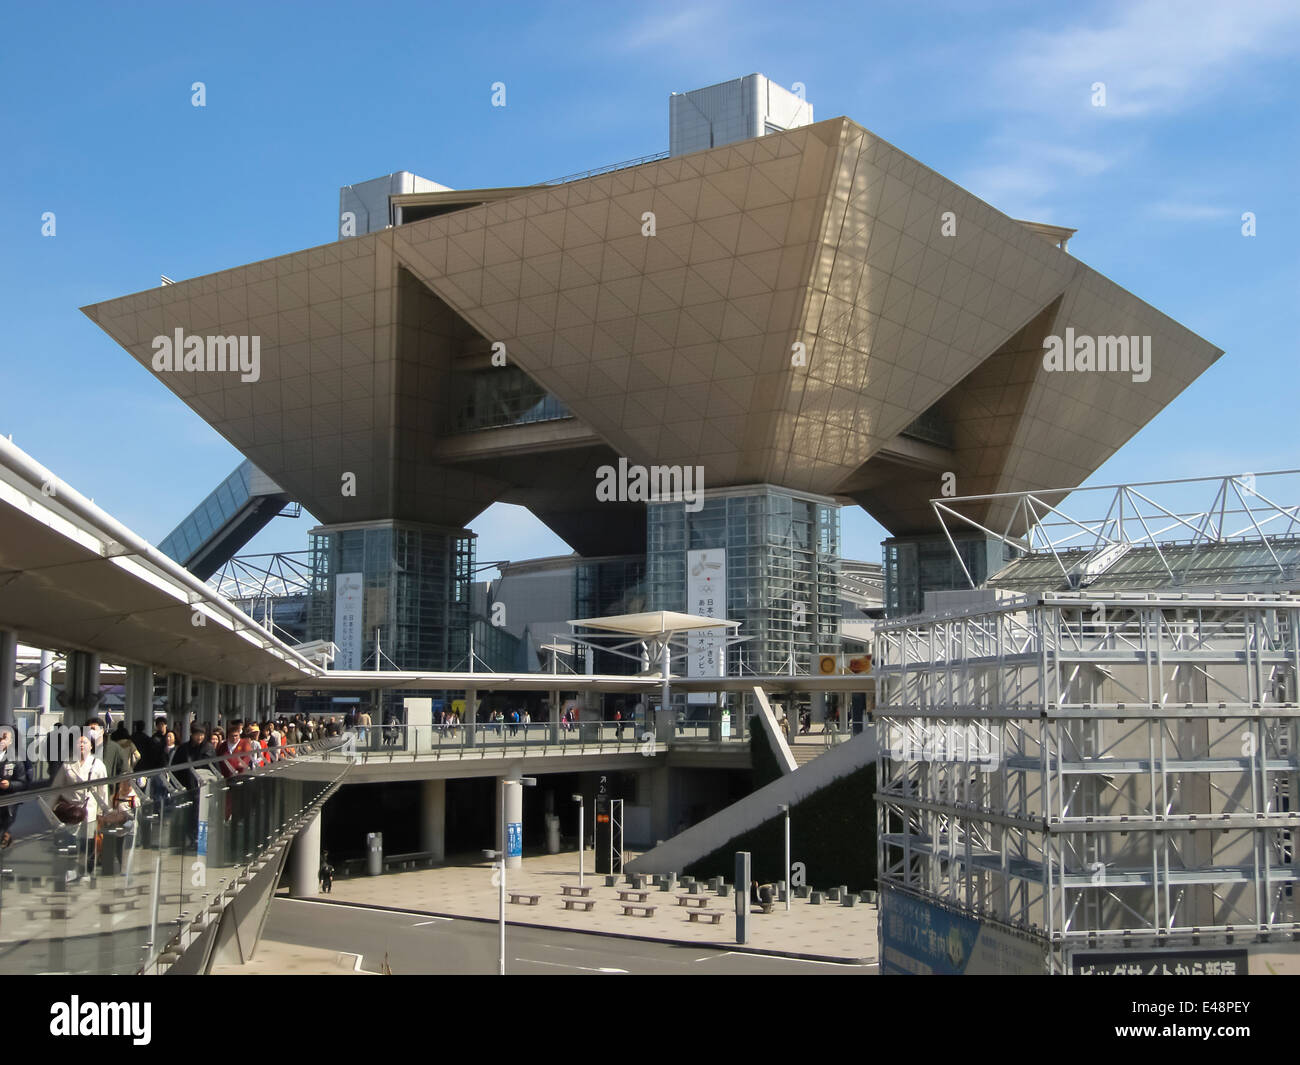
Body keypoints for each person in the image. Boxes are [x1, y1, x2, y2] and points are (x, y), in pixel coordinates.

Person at [0, 726, 32, 848]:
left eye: (4, 738)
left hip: (8, 802)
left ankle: (5, 838)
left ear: (10, 741)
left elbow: (23, 782)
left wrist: (9, 785)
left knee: (3, 826)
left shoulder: (16, 759)